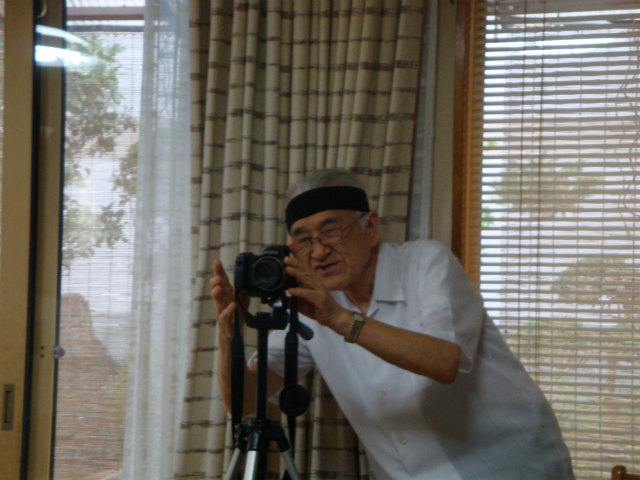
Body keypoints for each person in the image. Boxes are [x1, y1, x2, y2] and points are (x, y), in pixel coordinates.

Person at [211, 169, 575, 479]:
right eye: (304, 240)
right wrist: (229, 334)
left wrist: (339, 319)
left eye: (331, 231)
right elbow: (244, 401)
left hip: (508, 465)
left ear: (370, 228)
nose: (318, 252)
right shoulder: (311, 305)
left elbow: (445, 362)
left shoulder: (425, 262)